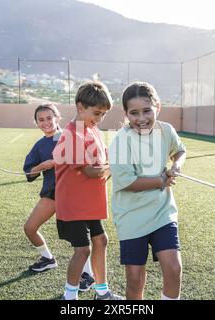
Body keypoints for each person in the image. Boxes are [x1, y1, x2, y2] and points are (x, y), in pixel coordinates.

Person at [108, 81, 187, 300]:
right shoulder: (120, 141)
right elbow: (129, 183)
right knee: (135, 280)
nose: (141, 118)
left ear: (157, 107)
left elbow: (180, 151)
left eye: (146, 111)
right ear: (125, 113)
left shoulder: (166, 130)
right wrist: (161, 180)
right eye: (134, 113)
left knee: (173, 268)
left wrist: (176, 166)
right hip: (131, 216)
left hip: (162, 212)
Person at [52, 81, 123, 300]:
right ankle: (69, 298)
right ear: (80, 107)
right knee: (82, 250)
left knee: (101, 241)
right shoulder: (72, 134)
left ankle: (101, 292)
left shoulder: (92, 130)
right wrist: (120, 165)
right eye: (97, 113)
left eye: (103, 115)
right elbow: (91, 172)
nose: (100, 119)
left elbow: (102, 162)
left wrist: (113, 163)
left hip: (90, 204)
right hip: (74, 205)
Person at [23, 104, 95, 291]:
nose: (46, 122)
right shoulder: (39, 145)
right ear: (37, 123)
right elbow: (29, 173)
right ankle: (47, 258)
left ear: (57, 118)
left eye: (49, 118)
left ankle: (87, 274)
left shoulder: (69, 135)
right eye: (41, 119)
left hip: (73, 191)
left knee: (79, 238)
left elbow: (85, 158)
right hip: (52, 192)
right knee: (30, 228)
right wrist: (42, 166)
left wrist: (56, 162)